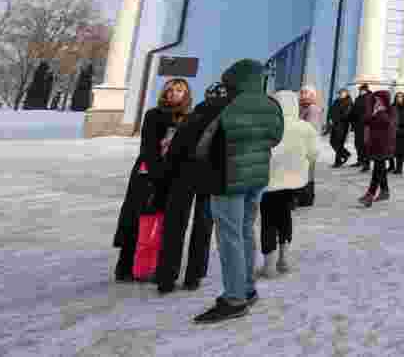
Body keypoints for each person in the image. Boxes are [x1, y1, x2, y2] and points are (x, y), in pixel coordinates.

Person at [193, 59, 284, 324]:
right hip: (256, 177)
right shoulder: (271, 104)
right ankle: (246, 288)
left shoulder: (226, 105)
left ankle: (234, 299)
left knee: (229, 236)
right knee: (244, 230)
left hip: (227, 177)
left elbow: (203, 142)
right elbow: (275, 137)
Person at [113, 78, 192, 282]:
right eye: (170, 89)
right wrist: (158, 173)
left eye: (179, 90)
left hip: (174, 176)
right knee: (137, 218)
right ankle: (125, 267)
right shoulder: (154, 115)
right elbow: (148, 147)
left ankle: (155, 265)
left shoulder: (188, 118)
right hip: (147, 174)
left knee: (163, 223)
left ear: (186, 94)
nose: (174, 93)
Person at [155, 82, 225, 294]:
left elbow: (175, 149)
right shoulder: (226, 120)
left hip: (182, 175)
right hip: (209, 178)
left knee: (175, 225)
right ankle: (194, 276)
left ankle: (166, 276)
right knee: (203, 227)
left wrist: (165, 176)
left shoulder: (192, 116)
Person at [259, 90, 318, 277]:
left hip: (269, 181)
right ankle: (284, 258)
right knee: (285, 217)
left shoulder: (267, 125)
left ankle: (269, 265)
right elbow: (314, 153)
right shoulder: (305, 127)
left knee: (268, 220)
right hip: (294, 181)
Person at [360, 90, 396, 207]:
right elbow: (366, 121)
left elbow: (388, 123)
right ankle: (385, 191)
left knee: (377, 169)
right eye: (376, 100)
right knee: (379, 168)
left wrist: (379, 113)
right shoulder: (376, 111)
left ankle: (370, 194)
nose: (377, 102)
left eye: (379, 100)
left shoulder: (390, 111)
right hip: (376, 145)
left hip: (384, 146)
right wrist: (373, 111)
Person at [326, 89, 353, 168]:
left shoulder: (349, 102)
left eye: (342, 93)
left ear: (346, 94)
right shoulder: (337, 101)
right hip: (335, 125)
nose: (340, 94)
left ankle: (338, 161)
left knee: (338, 143)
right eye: (339, 93)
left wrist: (334, 119)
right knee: (332, 142)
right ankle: (345, 154)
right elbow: (331, 110)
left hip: (342, 125)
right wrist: (330, 119)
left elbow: (345, 115)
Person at [349, 84, 373, 171]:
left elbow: (370, 112)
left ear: (366, 90)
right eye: (360, 90)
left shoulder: (370, 98)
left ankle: (366, 164)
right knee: (358, 144)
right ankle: (360, 160)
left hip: (366, 125)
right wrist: (352, 120)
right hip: (357, 124)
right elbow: (354, 110)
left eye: (363, 90)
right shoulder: (358, 99)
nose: (361, 91)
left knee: (365, 144)